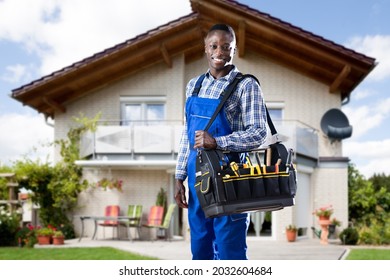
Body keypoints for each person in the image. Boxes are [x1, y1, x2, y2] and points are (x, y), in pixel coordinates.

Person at [174, 23, 268, 260]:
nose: (220, 51)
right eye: (214, 46)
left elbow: (258, 132)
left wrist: (217, 142)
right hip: (198, 182)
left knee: (229, 252)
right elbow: (188, 136)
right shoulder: (193, 86)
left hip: (231, 180)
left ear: (234, 50)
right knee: (200, 250)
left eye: (226, 47)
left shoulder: (246, 85)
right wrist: (179, 176)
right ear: (205, 48)